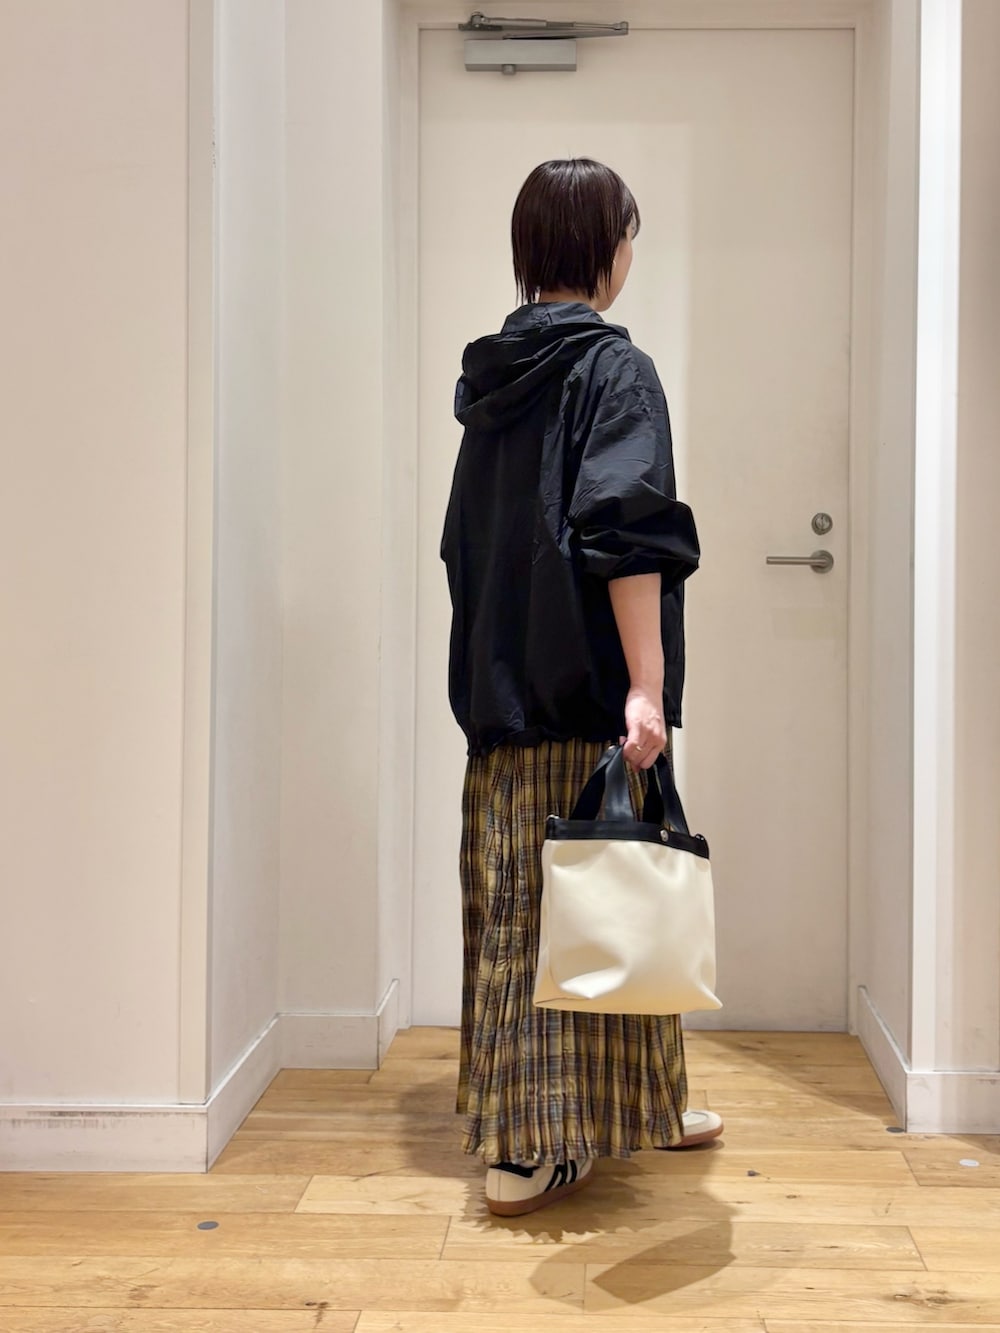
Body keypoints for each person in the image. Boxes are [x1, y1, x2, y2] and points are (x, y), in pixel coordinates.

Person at [441, 158, 723, 1219]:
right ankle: (532, 1147)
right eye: (627, 235)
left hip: (501, 695)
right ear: (603, 248)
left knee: (544, 908)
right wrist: (646, 685)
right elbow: (626, 533)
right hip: (585, 697)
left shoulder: (493, 382)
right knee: (601, 904)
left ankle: (641, 1103)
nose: (630, 254)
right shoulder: (615, 370)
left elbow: (465, 547)